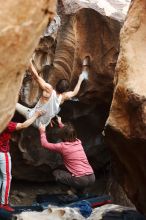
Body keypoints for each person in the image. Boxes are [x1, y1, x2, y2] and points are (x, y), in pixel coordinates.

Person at [16, 59, 88, 128]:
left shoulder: (49, 90)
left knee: (15, 105)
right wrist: (81, 79)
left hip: (31, 117)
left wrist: (29, 61)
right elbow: (74, 92)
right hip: (42, 126)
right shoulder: (63, 97)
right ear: (65, 91)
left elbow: (36, 76)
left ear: (56, 84)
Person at [0, 110, 43, 212]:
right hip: (2, 153)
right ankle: (4, 203)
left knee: (1, 177)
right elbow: (23, 125)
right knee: (7, 178)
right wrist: (36, 115)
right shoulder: (5, 123)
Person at [39, 122, 95, 195]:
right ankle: (80, 193)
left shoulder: (62, 146)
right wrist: (60, 123)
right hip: (92, 177)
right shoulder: (78, 142)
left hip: (81, 180)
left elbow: (44, 144)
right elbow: (69, 132)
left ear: (63, 136)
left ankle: (70, 194)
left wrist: (42, 131)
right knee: (75, 174)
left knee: (56, 173)